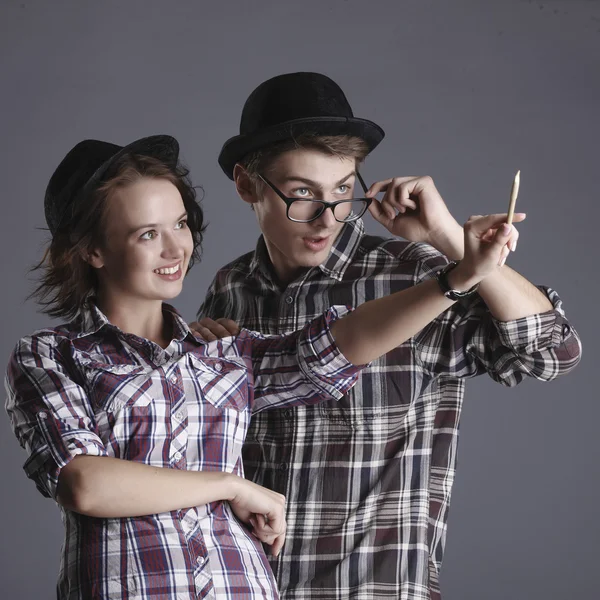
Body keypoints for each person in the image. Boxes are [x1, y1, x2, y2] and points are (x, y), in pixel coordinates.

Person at [5, 134, 516, 600]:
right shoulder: (52, 355)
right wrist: (231, 485)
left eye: (180, 224)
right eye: (147, 234)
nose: (175, 248)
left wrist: (462, 276)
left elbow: (345, 342)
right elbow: (83, 484)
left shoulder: (225, 353)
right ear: (92, 249)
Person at [195, 72, 582, 600]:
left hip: (374, 588)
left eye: (342, 190)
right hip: (247, 584)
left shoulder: (416, 277)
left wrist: (451, 241)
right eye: (303, 193)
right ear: (246, 185)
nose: (326, 217)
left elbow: (553, 352)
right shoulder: (230, 288)